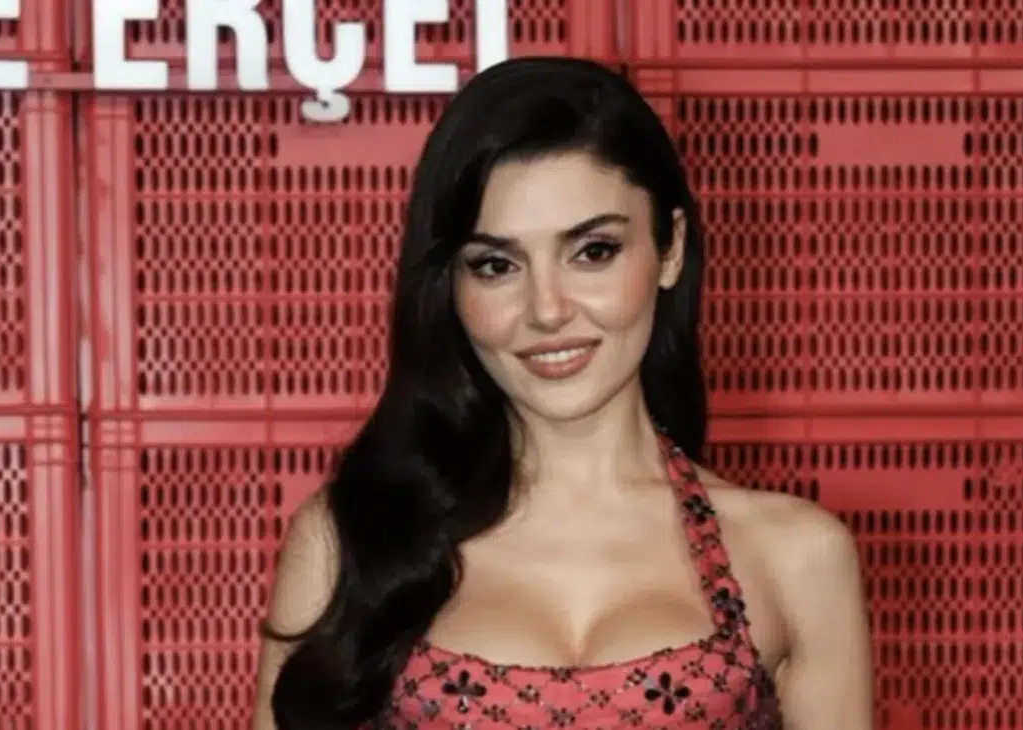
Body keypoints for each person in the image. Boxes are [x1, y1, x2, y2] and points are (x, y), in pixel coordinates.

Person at [251, 56, 874, 730]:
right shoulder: (351, 542)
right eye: (496, 265)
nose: (547, 310)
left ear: (669, 249)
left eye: (593, 252)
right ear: (449, 286)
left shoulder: (795, 555)